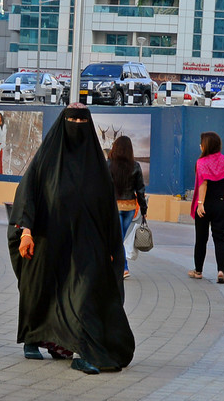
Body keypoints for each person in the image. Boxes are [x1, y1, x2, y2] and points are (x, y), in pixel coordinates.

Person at [7, 103, 134, 375]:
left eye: (82, 121)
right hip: (47, 240)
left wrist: (113, 246)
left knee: (84, 293)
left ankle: (80, 346)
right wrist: (26, 232)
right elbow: (27, 193)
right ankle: (34, 338)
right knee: (42, 290)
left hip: (86, 244)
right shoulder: (46, 161)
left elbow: (108, 209)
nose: (77, 125)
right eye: (72, 120)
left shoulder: (97, 168)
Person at [189, 131, 224, 284]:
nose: (200, 145)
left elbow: (203, 183)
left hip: (205, 205)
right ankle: (221, 271)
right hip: (220, 203)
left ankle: (198, 271)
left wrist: (200, 203)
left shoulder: (202, 162)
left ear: (206, 146)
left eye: (201, 143)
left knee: (201, 239)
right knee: (221, 239)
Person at [107, 135, 147, 279]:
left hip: (114, 207)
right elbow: (140, 190)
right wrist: (144, 210)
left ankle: (122, 267)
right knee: (119, 237)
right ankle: (121, 267)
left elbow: (104, 188)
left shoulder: (109, 164)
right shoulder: (135, 166)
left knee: (117, 238)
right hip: (130, 208)